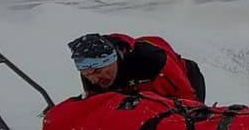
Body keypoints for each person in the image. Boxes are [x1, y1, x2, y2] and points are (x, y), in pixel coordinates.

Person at [68, 32, 206, 103]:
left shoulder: (150, 61)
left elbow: (187, 97)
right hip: (138, 93)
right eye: (86, 74)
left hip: (184, 80)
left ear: (113, 59)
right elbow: (97, 106)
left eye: (98, 71)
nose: (93, 80)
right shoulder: (93, 74)